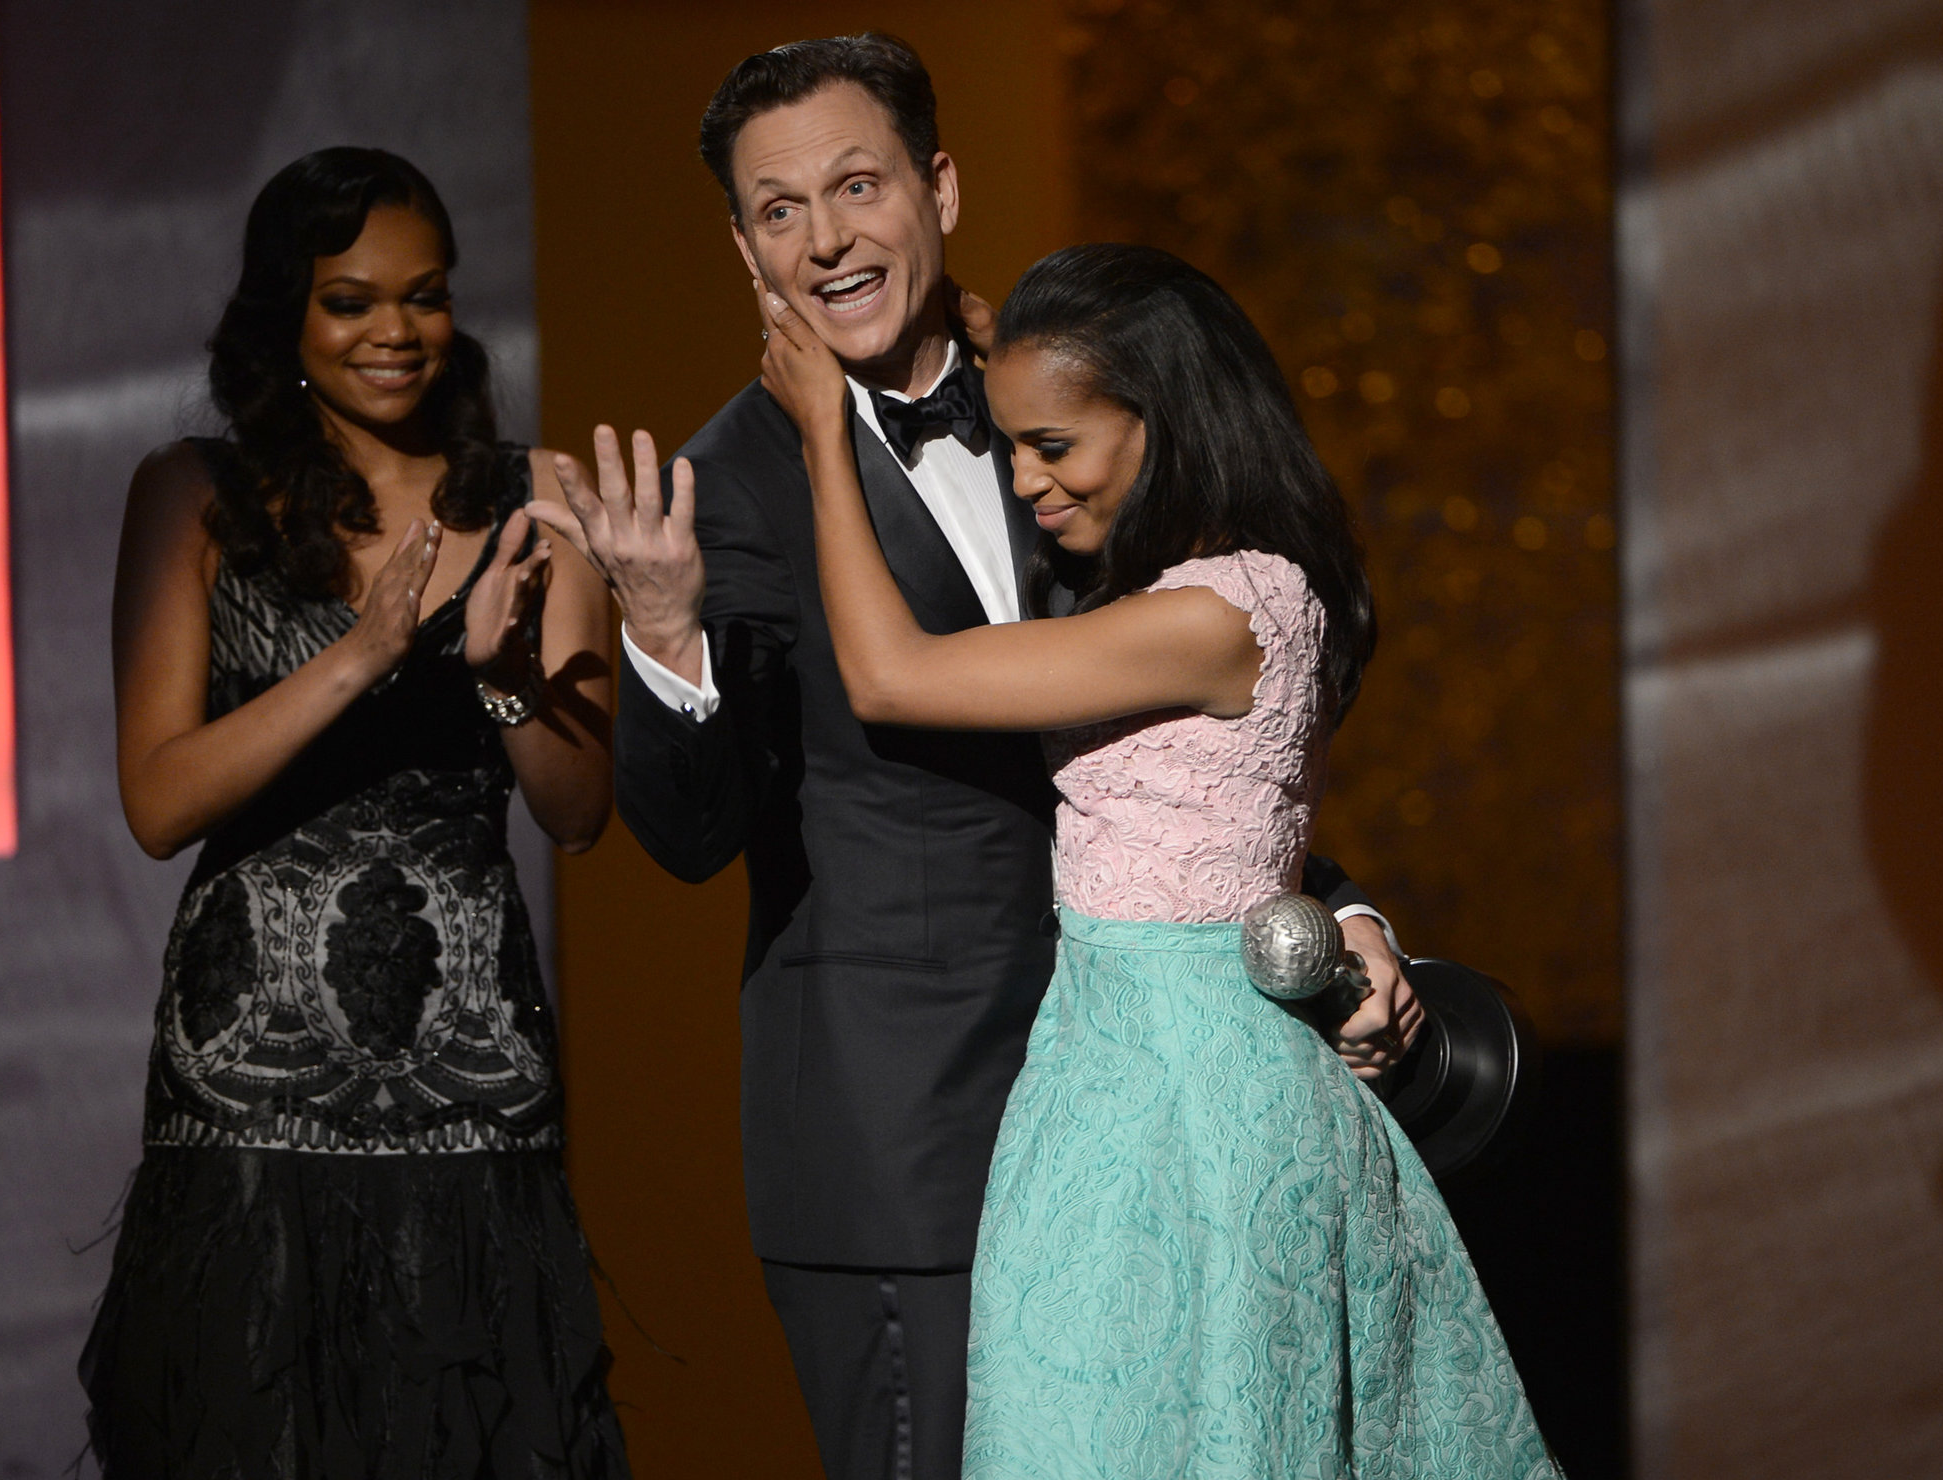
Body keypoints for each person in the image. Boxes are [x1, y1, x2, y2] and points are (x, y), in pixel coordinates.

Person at [531, 35, 1416, 1480]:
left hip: (1145, 1121)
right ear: (742, 243)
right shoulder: (737, 486)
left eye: (857, 184)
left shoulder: (1070, 425)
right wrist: (666, 633)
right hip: (906, 1157)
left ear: (938, 186)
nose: (825, 241)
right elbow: (690, 835)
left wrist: (1345, 909)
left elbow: (1190, 759)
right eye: (777, 210)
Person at [752, 242, 1559, 1478]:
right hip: (1125, 1071)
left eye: (1054, 447)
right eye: (1010, 445)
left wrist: (822, 429)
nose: (1024, 479)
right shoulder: (1216, 589)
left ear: (1161, 421)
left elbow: (890, 674)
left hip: (1189, 1098)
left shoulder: (1209, 612)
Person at [83, 147, 629, 1478]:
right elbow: (159, 800)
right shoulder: (194, 498)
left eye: (426, 295)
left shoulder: (537, 501)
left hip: (470, 1084)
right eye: (351, 300)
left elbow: (579, 813)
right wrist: (361, 656)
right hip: (249, 1093)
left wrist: (503, 684)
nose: (397, 332)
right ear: (288, 313)